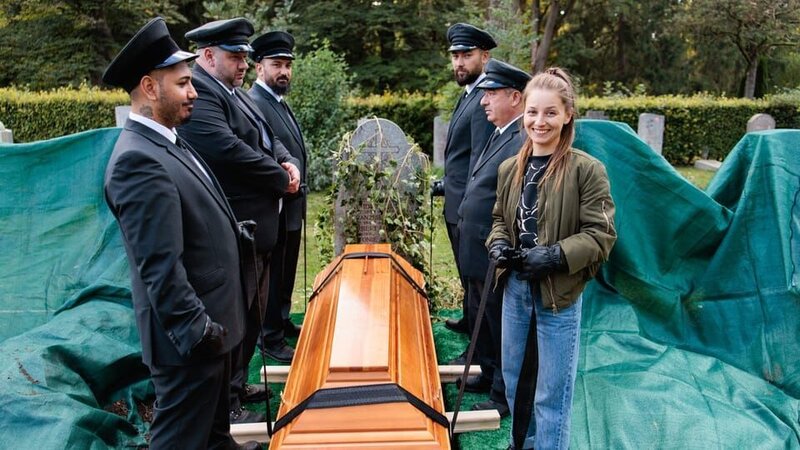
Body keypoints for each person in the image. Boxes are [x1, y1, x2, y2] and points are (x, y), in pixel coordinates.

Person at [102, 17, 259, 450]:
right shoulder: (137, 161)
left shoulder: (168, 139)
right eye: (184, 83)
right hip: (190, 345)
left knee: (213, 436)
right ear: (150, 88)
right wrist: (199, 332)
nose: (194, 92)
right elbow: (159, 267)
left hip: (214, 329)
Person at [486, 68, 617, 450]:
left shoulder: (587, 170)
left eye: (550, 113)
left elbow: (602, 235)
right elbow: (499, 219)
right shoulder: (510, 169)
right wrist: (498, 243)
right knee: (515, 381)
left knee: (551, 393)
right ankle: (522, 443)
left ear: (567, 115)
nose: (539, 122)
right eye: (532, 112)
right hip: (515, 289)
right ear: (523, 113)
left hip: (558, 294)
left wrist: (556, 255)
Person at [179, 17, 301, 425]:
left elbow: (268, 136)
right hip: (235, 228)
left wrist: (287, 160)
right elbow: (227, 150)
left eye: (245, 57)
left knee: (251, 315)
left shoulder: (233, 92)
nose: (244, 64)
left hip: (257, 229)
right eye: (235, 56)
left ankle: (238, 384)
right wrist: (280, 176)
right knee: (233, 317)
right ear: (208, 56)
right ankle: (226, 403)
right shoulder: (203, 94)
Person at [456, 59, 531, 418]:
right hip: (477, 247)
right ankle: (487, 374)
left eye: (492, 94)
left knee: (499, 323)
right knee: (481, 316)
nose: (484, 101)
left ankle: (502, 394)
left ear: (515, 97)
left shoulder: (522, 140)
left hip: (494, 248)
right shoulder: (500, 133)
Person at [434, 22, 497, 340]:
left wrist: (466, 207)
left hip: (467, 207)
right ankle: (470, 320)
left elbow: (480, 161)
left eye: (466, 55)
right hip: (456, 199)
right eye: (455, 56)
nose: (459, 63)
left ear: (484, 57)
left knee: (476, 277)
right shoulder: (470, 93)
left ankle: (478, 341)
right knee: (466, 273)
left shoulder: (485, 98)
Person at [248, 31, 306, 363]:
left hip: (292, 202)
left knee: (286, 270)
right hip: (275, 203)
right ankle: (269, 337)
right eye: (276, 65)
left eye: (287, 65)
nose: (284, 71)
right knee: (273, 274)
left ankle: (281, 321)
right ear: (259, 67)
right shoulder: (256, 102)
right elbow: (261, 152)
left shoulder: (277, 100)